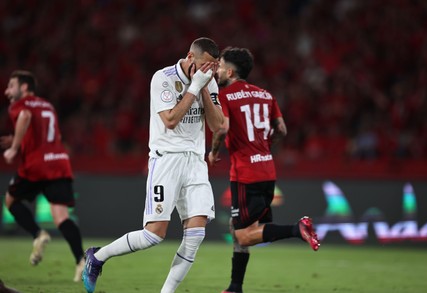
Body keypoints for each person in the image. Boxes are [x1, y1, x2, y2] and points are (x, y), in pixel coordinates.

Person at [82, 37, 224, 293]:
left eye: (213, 67)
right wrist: (194, 87)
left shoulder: (209, 80)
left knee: (196, 234)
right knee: (153, 235)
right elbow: (170, 120)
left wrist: (203, 87)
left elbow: (217, 126)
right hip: (166, 159)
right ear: (190, 57)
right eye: (205, 66)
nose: (209, 71)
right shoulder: (163, 78)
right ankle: (97, 256)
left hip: (195, 161)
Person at [208, 47, 320, 293]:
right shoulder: (266, 95)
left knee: (245, 235)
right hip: (267, 171)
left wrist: (214, 153)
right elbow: (281, 129)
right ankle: (235, 287)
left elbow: (224, 128)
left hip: (245, 175)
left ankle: (297, 228)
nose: (216, 70)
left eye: (220, 65)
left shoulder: (225, 96)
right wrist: (263, 145)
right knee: (240, 230)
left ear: (230, 70)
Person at [1, 70, 85, 282]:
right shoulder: (47, 105)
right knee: (61, 217)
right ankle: (80, 261)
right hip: (58, 161)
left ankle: (38, 234)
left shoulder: (20, 106)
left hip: (36, 165)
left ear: (25, 88)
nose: (7, 91)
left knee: (11, 201)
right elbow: (45, 133)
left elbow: (25, 117)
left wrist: (15, 147)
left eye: (11, 86)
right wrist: (17, 138)